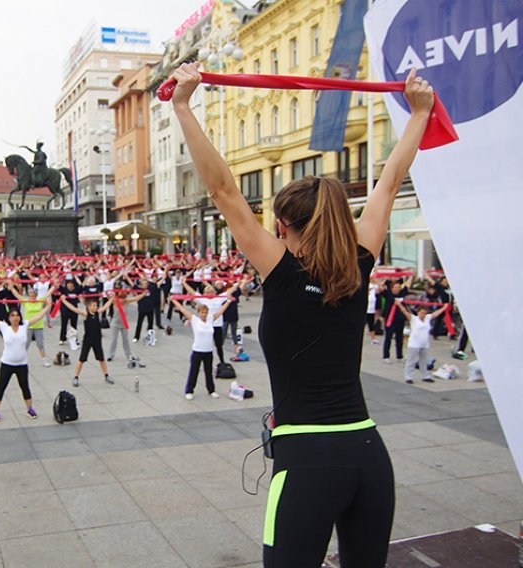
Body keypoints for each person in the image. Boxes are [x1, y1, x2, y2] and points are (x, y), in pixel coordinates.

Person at [170, 61, 434, 566]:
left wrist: (184, 105)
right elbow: (392, 178)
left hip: (308, 462)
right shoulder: (358, 264)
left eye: (277, 228)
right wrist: (418, 112)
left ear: (284, 227)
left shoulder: (284, 271)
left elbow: (223, 190)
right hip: (368, 456)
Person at [0, 299, 51, 422]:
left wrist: (47, 306)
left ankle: (30, 409)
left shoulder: (24, 325)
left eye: (17, 315)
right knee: (1, 387)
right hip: (7, 364)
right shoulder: (4, 327)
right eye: (12, 316)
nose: (15, 318)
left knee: (25, 387)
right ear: (9, 318)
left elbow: (38, 317)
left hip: (22, 364)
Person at [169, 296, 231, 400]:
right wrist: (174, 300)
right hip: (197, 350)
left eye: (206, 312)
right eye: (202, 313)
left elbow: (221, 311)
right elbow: (183, 309)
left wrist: (228, 301)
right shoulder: (194, 320)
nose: (204, 315)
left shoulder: (211, 319)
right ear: (198, 313)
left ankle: (211, 390)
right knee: (194, 371)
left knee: (208, 371)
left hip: (208, 351)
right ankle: (189, 390)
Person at [62, 296, 114, 387]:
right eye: (93, 306)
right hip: (87, 340)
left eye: (96, 305)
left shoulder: (98, 313)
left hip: (97, 340)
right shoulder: (85, 314)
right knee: (82, 359)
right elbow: (74, 309)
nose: (95, 307)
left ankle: (106, 375)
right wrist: (64, 301)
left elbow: (106, 306)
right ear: (89, 306)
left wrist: (112, 298)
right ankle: (76, 377)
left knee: (101, 359)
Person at [394, 299, 448, 384]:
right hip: (414, 344)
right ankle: (408, 376)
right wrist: (399, 304)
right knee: (411, 361)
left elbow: (436, 313)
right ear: (418, 312)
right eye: (422, 313)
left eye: (424, 313)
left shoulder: (428, 318)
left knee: (423, 361)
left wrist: (444, 307)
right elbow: (404, 311)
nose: (423, 315)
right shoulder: (413, 318)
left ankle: (425, 376)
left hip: (424, 344)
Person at [9, 282, 54, 367]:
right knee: (26, 344)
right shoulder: (26, 302)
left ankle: (44, 360)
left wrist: (54, 286)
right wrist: (12, 288)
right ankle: (21, 359)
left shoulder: (39, 301)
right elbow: (17, 295)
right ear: (29, 296)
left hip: (38, 326)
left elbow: (48, 293)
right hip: (28, 326)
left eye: (34, 296)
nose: (32, 298)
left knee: (40, 344)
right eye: (31, 296)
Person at [107, 286, 147, 362]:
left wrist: (143, 294)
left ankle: (129, 355)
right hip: (115, 324)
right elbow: (108, 297)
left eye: (123, 298)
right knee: (113, 340)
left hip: (123, 324)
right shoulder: (115, 301)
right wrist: (109, 293)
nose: (122, 300)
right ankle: (110, 355)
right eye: (120, 298)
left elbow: (136, 299)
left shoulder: (127, 302)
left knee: (125, 340)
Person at [380, 276, 413, 363]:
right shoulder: (388, 294)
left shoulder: (401, 294)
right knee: (388, 337)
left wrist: (411, 276)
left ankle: (399, 356)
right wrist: (383, 279)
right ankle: (386, 356)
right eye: (395, 287)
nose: (397, 289)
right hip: (390, 320)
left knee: (399, 338)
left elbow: (407, 285)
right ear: (391, 288)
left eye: (398, 287)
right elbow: (380, 287)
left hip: (400, 319)